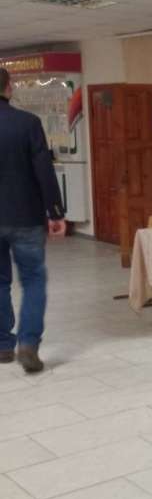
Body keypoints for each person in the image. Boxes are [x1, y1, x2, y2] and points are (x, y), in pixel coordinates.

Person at [0, 67, 66, 374]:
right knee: (33, 280)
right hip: (26, 216)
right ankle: (28, 343)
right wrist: (55, 211)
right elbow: (44, 170)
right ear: (9, 88)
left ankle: (3, 345)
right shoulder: (28, 123)